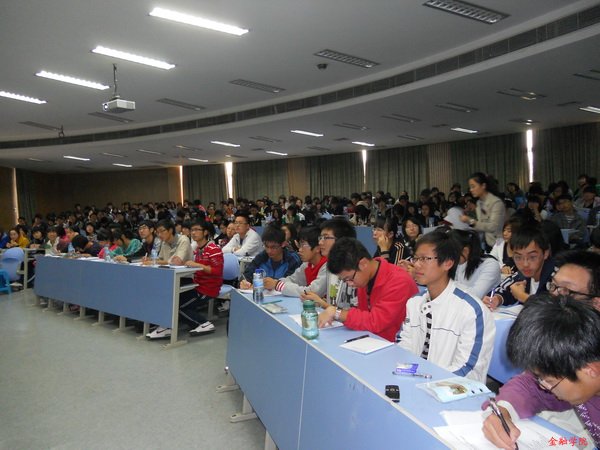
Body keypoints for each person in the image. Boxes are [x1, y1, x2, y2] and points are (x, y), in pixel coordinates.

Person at [482, 293, 600, 450]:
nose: (543, 386)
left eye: (550, 381)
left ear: (590, 371)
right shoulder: (577, 372)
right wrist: (503, 411)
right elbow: (528, 386)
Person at [397, 231, 495, 382]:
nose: (416, 264)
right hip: (417, 382)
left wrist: (425, 381)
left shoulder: (471, 311)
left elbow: (468, 371)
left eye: (425, 259)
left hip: (452, 390)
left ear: (448, 263)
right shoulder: (414, 302)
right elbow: (405, 345)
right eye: (415, 258)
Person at [317, 237, 417, 342]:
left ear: (363, 264)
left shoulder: (399, 281)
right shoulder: (365, 278)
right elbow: (364, 316)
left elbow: (376, 322)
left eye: (349, 279)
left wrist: (337, 313)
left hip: (395, 345)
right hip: (372, 340)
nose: (350, 284)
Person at [146, 221, 224, 340]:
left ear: (205, 232)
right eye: (192, 230)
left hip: (207, 288)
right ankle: (166, 326)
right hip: (195, 285)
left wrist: (197, 265)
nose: (193, 233)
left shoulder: (214, 249)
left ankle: (203, 323)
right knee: (170, 299)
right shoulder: (197, 249)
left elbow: (217, 271)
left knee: (178, 306)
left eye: (197, 229)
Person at [484, 225, 554, 309]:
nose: (525, 264)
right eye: (518, 257)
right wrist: (497, 299)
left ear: (545, 254)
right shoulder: (521, 275)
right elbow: (503, 289)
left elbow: (555, 310)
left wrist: (523, 297)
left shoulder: (556, 278)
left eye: (532, 257)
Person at [264, 226, 328, 298]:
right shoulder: (307, 264)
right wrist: (273, 282)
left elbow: (312, 292)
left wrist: (278, 285)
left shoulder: (327, 266)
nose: (300, 250)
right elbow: (293, 280)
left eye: (303, 245)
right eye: (299, 245)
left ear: (317, 248)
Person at [449, 229, 501, 300]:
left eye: (451, 253)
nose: (448, 258)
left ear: (465, 251)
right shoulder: (459, 263)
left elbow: (475, 295)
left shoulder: (490, 265)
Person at [460, 172, 505, 250]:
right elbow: (481, 225)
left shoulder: (496, 202)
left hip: (497, 244)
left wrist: (471, 221)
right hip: (485, 243)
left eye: (473, 186)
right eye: (470, 187)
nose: (471, 190)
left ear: (483, 186)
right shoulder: (479, 203)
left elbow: (493, 226)